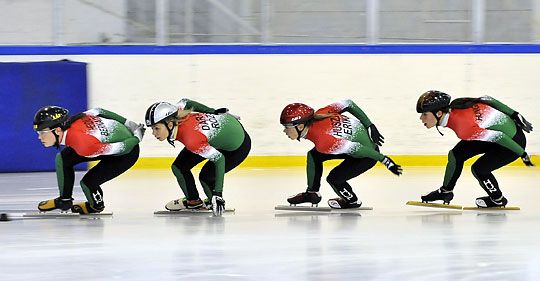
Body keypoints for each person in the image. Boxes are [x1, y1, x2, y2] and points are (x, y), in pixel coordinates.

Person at [416, 90, 534, 208]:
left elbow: (499, 137)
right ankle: (445, 192)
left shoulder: (463, 128)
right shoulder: (457, 105)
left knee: (479, 169)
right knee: (456, 155)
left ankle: (497, 199)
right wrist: (515, 114)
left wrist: (522, 153)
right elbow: (487, 99)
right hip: (494, 132)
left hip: (512, 143)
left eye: (424, 114)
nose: (421, 118)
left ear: (439, 113)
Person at [279, 100, 402, 209]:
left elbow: (359, 149)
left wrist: (386, 161)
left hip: (366, 156)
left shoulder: (324, 141)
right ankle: (312, 194)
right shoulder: (322, 113)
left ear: (300, 126)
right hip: (357, 144)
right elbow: (349, 103)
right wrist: (370, 125)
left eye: (287, 127)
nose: (284, 131)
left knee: (334, 179)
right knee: (313, 155)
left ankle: (352, 201)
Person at [145, 99, 251, 216]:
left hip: (237, 147)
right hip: (225, 130)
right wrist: (213, 112)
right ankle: (193, 201)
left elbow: (219, 159)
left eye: (156, 128)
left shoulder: (192, 141)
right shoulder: (176, 111)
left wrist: (218, 194)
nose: (154, 133)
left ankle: (213, 201)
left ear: (170, 125)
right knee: (179, 167)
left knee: (206, 177)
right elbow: (186, 101)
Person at [34, 106, 144, 214]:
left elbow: (123, 147)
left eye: (42, 132)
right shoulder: (76, 119)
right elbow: (99, 111)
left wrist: (137, 137)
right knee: (62, 159)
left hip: (126, 153)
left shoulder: (84, 146)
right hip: (105, 140)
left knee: (88, 183)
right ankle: (64, 200)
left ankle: (96, 206)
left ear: (58, 130)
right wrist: (129, 124)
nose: (39, 137)